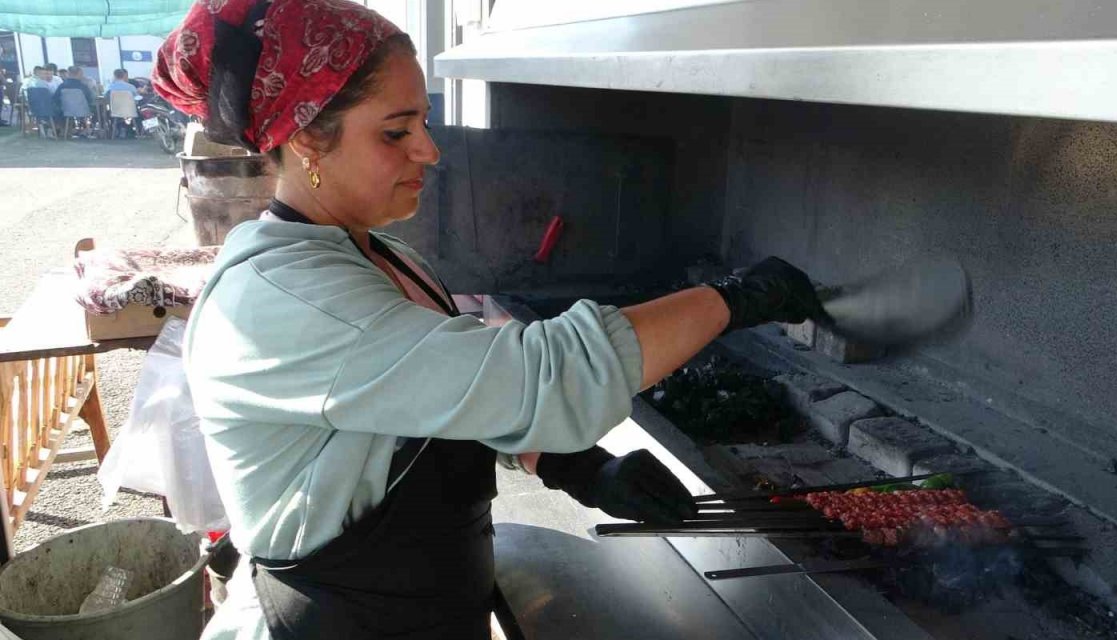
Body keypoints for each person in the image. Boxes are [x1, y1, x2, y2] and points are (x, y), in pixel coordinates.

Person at [154, 1, 825, 638]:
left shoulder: (366, 251)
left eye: (422, 122)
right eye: (396, 131)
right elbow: (536, 373)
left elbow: (445, 390)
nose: (430, 151)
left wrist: (576, 467)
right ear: (305, 143)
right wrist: (735, 298)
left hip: (420, 611)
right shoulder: (286, 299)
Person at [104, 69, 140, 138]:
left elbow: (105, 97)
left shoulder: (110, 87)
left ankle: (116, 130)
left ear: (114, 76)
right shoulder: (131, 87)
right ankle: (135, 131)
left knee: (108, 113)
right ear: (124, 76)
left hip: (115, 110)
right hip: (130, 110)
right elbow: (137, 98)